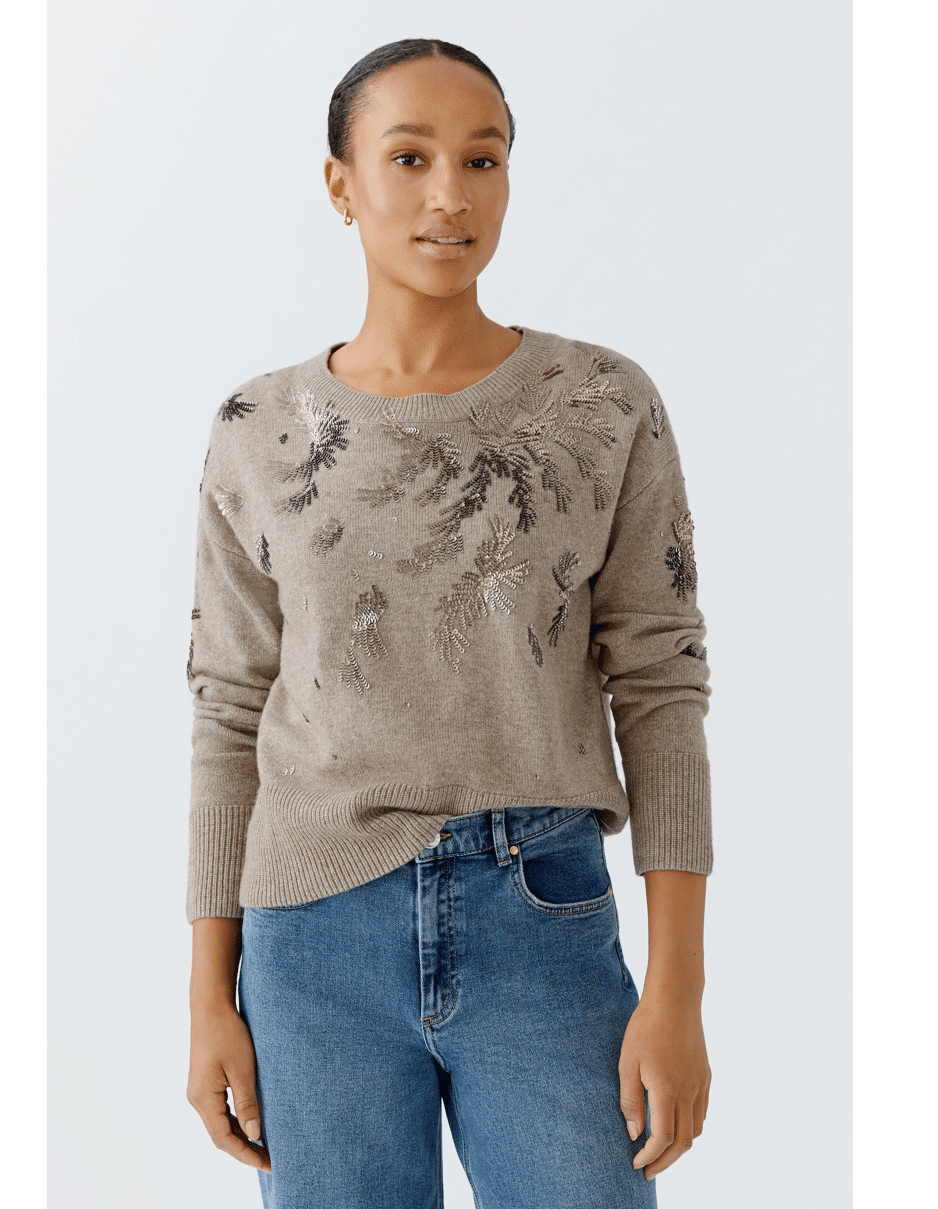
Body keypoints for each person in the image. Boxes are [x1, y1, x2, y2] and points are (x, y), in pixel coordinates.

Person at [185, 38, 712, 1209]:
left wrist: (677, 991)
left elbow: (662, 684)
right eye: (409, 157)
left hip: (543, 914)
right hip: (310, 937)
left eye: (483, 159)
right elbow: (228, 707)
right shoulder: (257, 428)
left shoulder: (602, 405)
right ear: (341, 183)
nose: (450, 196)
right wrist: (208, 997)